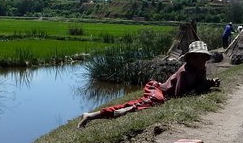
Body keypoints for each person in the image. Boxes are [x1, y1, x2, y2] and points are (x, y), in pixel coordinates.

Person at [78, 41, 220, 128]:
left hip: (162, 94)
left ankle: (92, 115)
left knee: (146, 102)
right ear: (190, 58)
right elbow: (179, 95)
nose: (200, 60)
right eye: (197, 57)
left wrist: (209, 83)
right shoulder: (184, 72)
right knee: (156, 100)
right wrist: (204, 87)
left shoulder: (201, 69)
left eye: (203, 57)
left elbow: (200, 84)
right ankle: (95, 115)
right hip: (157, 89)